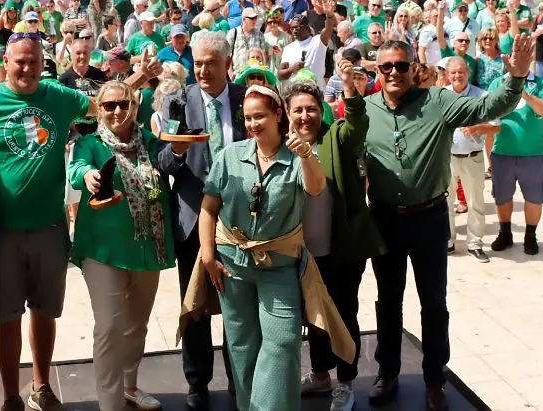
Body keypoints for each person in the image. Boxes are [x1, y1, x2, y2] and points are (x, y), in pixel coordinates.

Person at [0, 33, 157, 411]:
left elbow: (102, 106)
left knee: (45, 311)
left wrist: (139, 78)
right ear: (5, 63)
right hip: (0, 231)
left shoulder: (58, 96)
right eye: (20, 61)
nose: (27, 68)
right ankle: (11, 396)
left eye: (33, 61)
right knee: (7, 316)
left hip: (49, 227)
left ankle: (41, 387)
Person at [363, 35, 533, 411]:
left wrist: (516, 78)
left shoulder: (437, 101)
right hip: (385, 218)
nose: (394, 73)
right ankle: (387, 371)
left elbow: (489, 105)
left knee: (433, 303)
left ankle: (435, 378)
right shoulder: (366, 109)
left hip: (429, 217)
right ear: (378, 70)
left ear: (413, 68)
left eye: (401, 65)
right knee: (388, 301)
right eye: (386, 67)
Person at [192, 84, 329, 411]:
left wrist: (307, 155)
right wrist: (208, 257)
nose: (253, 124)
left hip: (279, 266)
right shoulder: (229, 155)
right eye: (247, 118)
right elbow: (209, 207)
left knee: (282, 342)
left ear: (278, 114)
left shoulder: (297, 156)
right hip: (231, 266)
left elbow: (315, 188)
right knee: (241, 345)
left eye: (260, 117)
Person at [67, 81, 174, 411]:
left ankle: (130, 386)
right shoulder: (90, 144)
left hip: (146, 248)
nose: (116, 111)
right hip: (103, 251)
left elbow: (171, 161)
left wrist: (179, 150)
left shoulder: (151, 143)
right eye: (109, 105)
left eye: (123, 104)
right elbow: (77, 170)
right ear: (99, 109)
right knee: (111, 328)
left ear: (134, 107)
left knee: (136, 326)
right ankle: (109, 403)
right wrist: (87, 176)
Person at [290, 67, 384, 411]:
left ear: (322, 110)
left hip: (339, 251)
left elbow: (357, 125)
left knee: (343, 316)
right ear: (288, 114)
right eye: (298, 110)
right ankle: (320, 374)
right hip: (300, 255)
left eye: (311, 108)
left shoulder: (335, 138)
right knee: (311, 318)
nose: (305, 116)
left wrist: (348, 91)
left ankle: (345, 382)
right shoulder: (282, 147)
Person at [157, 31, 242, 410]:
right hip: (193, 219)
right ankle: (197, 382)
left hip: (241, 222)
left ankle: (240, 378)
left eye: (211, 62)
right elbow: (161, 160)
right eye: (198, 62)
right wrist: (175, 151)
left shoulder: (246, 101)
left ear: (227, 63)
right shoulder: (178, 102)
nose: (204, 69)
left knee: (239, 306)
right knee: (194, 308)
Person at [487, 69, 543, 256]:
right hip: (501, 153)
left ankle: (530, 236)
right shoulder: (496, 84)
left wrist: (526, 95)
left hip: (531, 154)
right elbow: (489, 117)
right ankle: (505, 233)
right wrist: (489, 157)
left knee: (534, 198)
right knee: (502, 197)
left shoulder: (539, 84)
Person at [444, 57, 498, 261]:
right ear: (447, 75)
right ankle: (448, 241)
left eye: (461, 71)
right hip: (446, 157)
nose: (457, 75)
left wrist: (477, 128)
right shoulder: (441, 95)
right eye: (453, 72)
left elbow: (496, 126)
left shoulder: (482, 96)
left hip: (472, 157)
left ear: (468, 72)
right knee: (445, 202)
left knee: (476, 202)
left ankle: (475, 243)